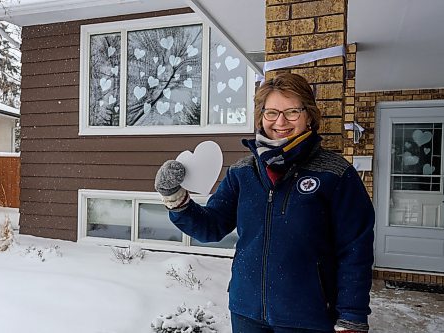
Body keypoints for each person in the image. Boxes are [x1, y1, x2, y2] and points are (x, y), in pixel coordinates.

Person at [155, 73, 375, 333]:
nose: (280, 121)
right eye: (271, 112)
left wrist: (352, 316)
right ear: (260, 117)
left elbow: (355, 249)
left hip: (308, 318)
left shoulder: (335, 173)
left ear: (309, 116)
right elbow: (210, 226)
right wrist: (174, 196)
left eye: (292, 111)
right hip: (247, 313)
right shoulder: (243, 172)